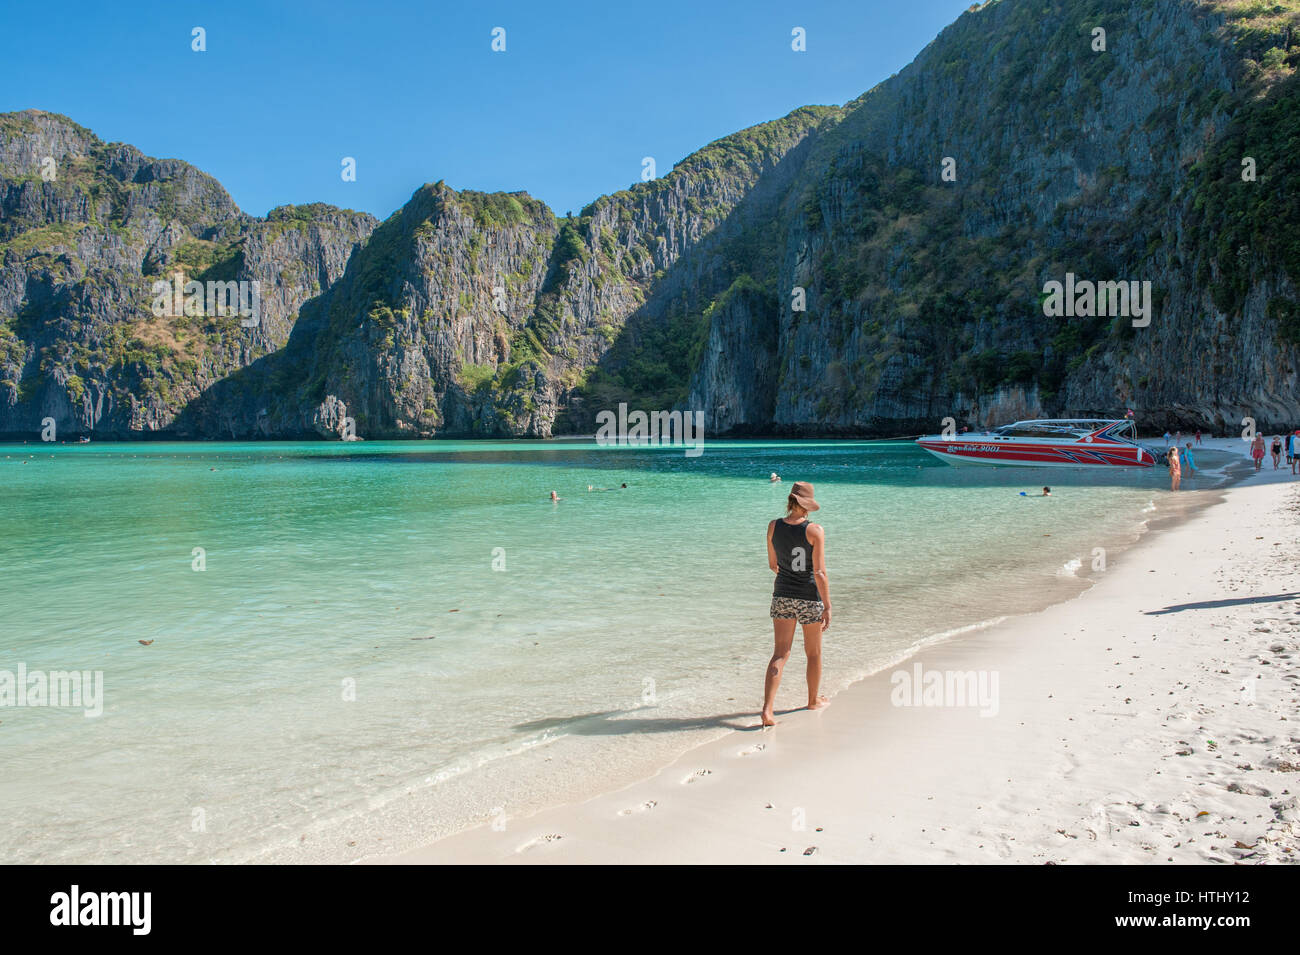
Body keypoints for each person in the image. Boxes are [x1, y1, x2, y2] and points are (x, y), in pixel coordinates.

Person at [762, 481, 831, 727]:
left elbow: (773, 565)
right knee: (813, 653)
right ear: (807, 506)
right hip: (809, 597)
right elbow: (820, 573)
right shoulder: (815, 531)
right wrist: (828, 605)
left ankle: (768, 710)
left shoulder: (773, 526)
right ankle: (813, 700)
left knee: (780, 653)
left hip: (781, 594)